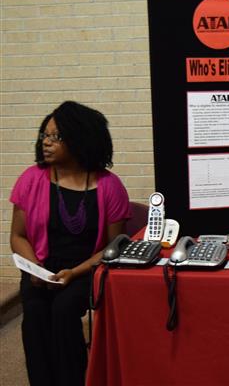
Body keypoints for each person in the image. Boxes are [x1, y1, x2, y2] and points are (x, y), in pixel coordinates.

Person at [9, 101, 131, 386]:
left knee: (64, 311)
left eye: (56, 137)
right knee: (36, 314)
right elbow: (18, 236)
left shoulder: (109, 186)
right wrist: (36, 268)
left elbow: (115, 248)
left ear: (81, 138)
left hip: (87, 271)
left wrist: (74, 273)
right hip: (41, 267)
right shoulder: (31, 179)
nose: (46, 143)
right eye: (45, 136)